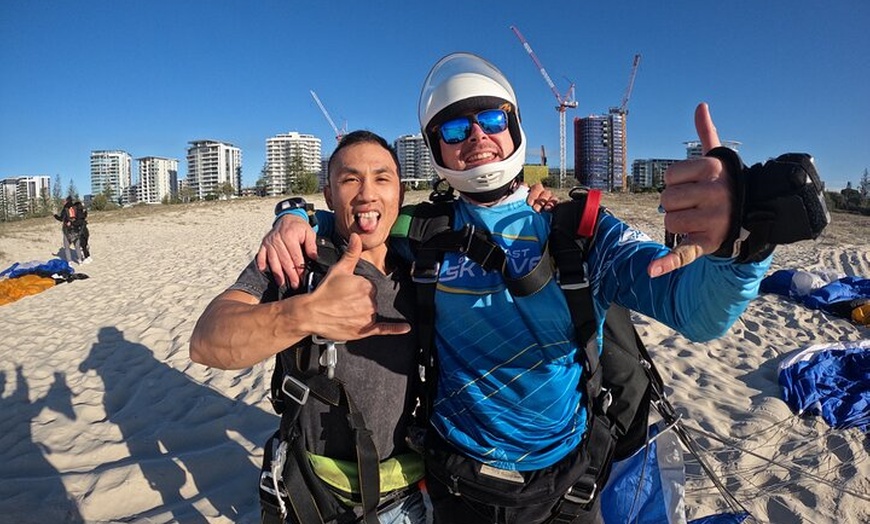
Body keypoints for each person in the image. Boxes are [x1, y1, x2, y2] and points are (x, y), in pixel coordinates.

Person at [259, 53, 826, 524]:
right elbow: (360, 215)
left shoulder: (580, 229)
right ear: (436, 149)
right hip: (457, 479)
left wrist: (741, 246)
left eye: (491, 119)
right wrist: (294, 217)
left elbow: (697, 314)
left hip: (564, 480)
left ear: (515, 126)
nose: (477, 136)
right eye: (455, 128)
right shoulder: (422, 231)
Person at [190, 130, 432, 524]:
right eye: (350, 179)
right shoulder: (298, 260)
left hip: (407, 495)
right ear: (330, 194)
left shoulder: (426, 264)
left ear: (401, 193)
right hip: (313, 493)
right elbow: (206, 341)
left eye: (382, 178)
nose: (367, 193)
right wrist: (303, 313)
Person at [53, 196, 83, 264]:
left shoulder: (65, 209)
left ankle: (69, 262)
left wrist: (55, 215)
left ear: (67, 201)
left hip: (67, 230)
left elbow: (61, 219)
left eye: (65, 201)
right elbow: (80, 217)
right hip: (76, 229)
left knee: (67, 247)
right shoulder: (76, 208)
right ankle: (80, 260)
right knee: (77, 247)